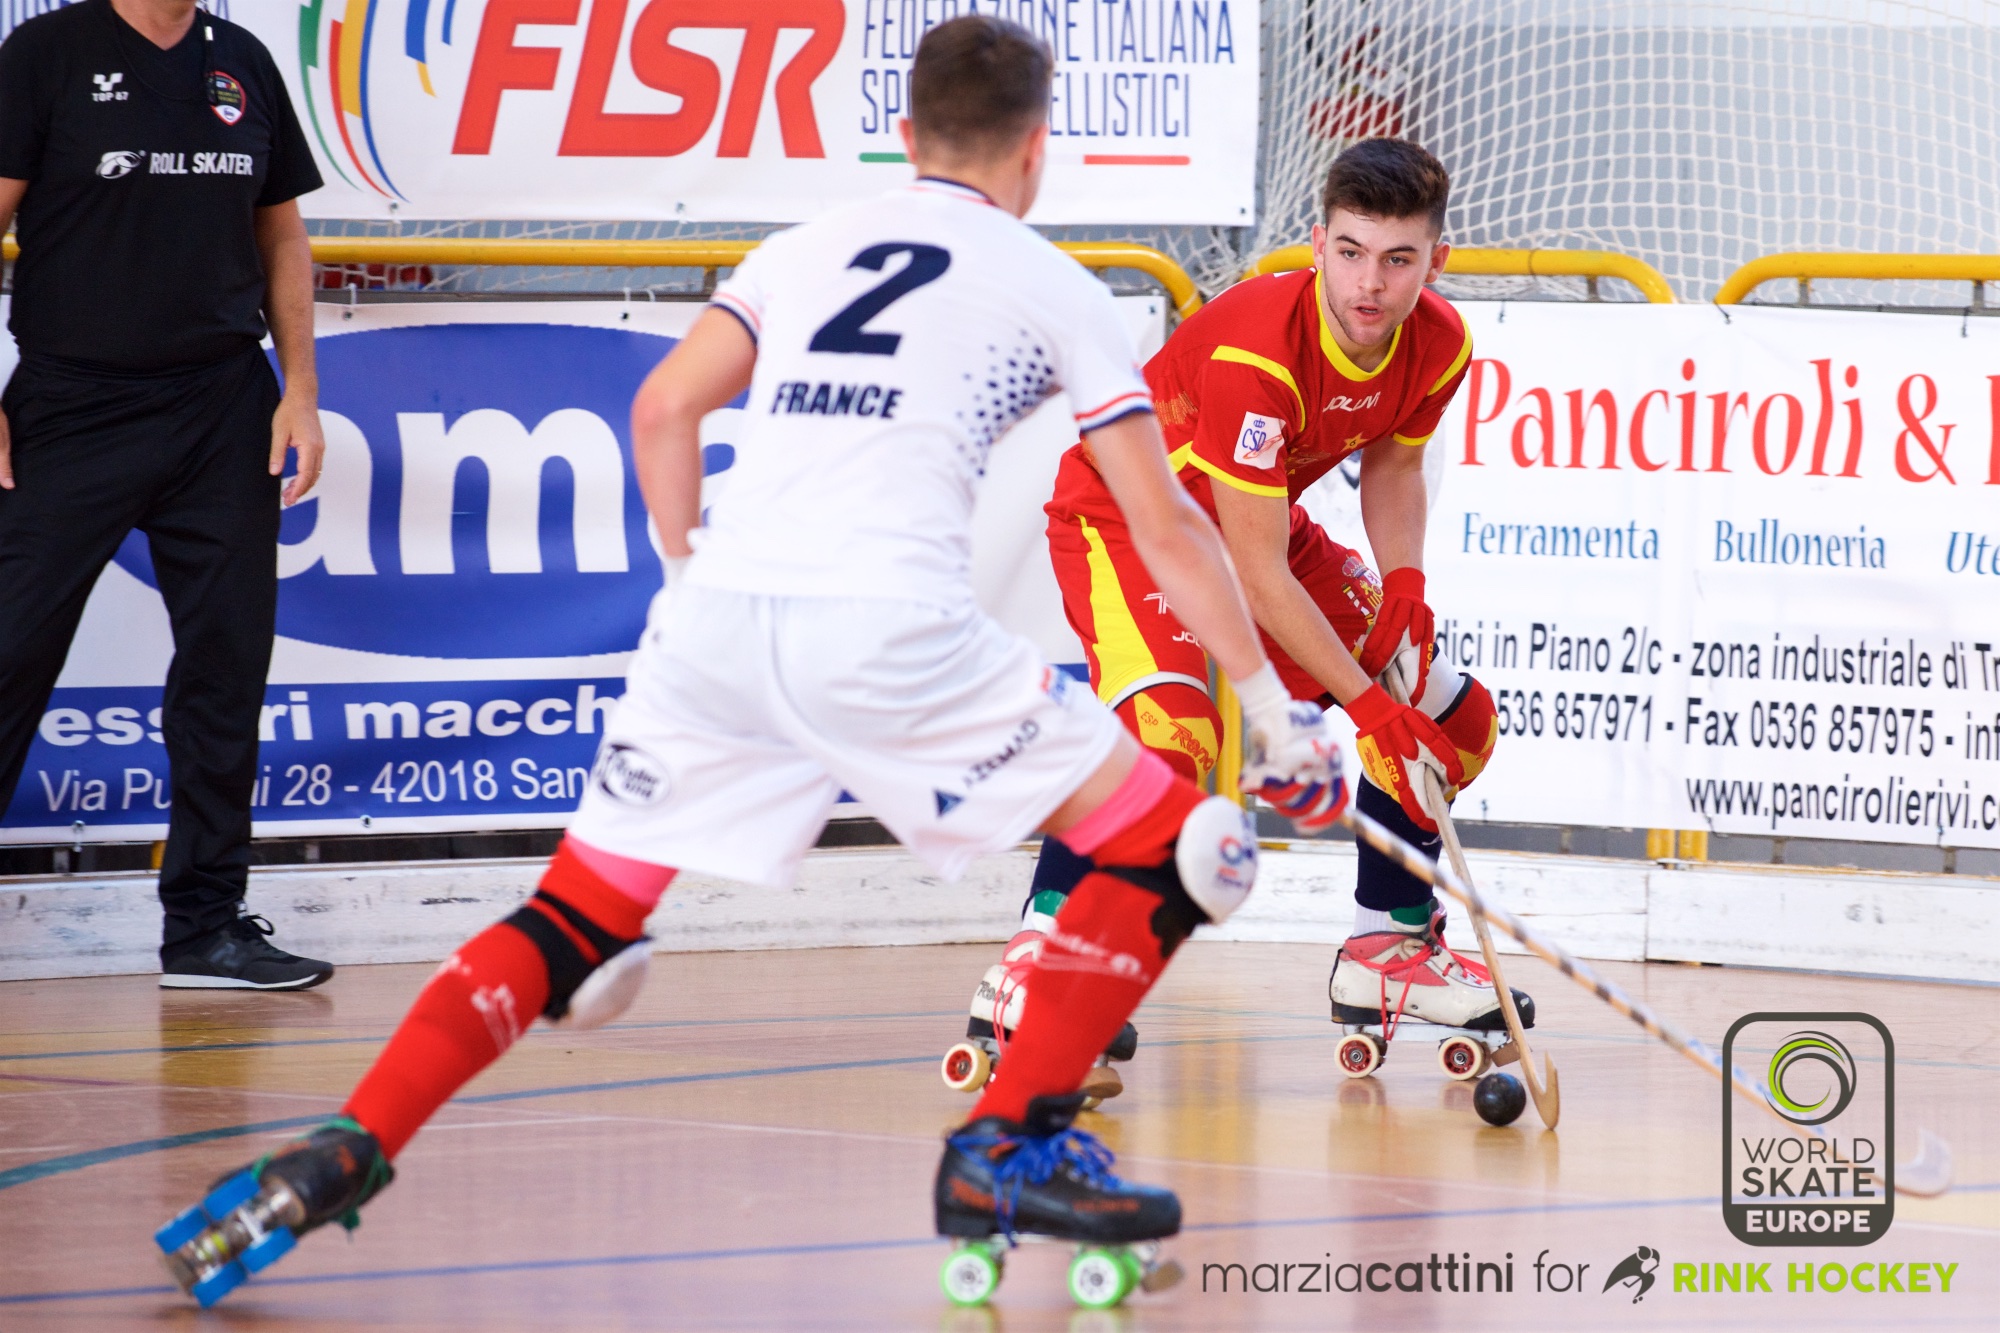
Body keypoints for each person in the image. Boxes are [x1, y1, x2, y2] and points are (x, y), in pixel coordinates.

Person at [154, 15, 1345, 1306]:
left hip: (715, 627)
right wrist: (1278, 718)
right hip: (889, 632)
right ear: (1037, 149)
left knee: (573, 922)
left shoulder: (803, 246)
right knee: (1178, 846)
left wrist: (687, 575)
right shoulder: (1051, 283)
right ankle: (1002, 1145)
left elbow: (664, 406)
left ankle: (346, 1147)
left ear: (907, 137)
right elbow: (1164, 528)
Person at [959, 139, 1528, 1091]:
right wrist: (1364, 702)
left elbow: (1392, 463)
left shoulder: (1440, 341)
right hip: (1131, 523)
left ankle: (1387, 949)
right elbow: (1259, 580)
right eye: (1350, 252)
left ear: (1437, 261)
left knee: (1451, 721)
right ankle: (1040, 956)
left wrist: (1404, 584)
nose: (1370, 285)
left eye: (1397, 259)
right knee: (1172, 739)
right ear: (1315, 243)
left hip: (1257, 526)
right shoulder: (1255, 351)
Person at [0, 0, 331, 988]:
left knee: (228, 667)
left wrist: (303, 395)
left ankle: (206, 929)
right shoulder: (46, 53)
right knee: (10, 652)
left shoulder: (244, 61)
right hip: (70, 403)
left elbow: (283, 242)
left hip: (221, 403)